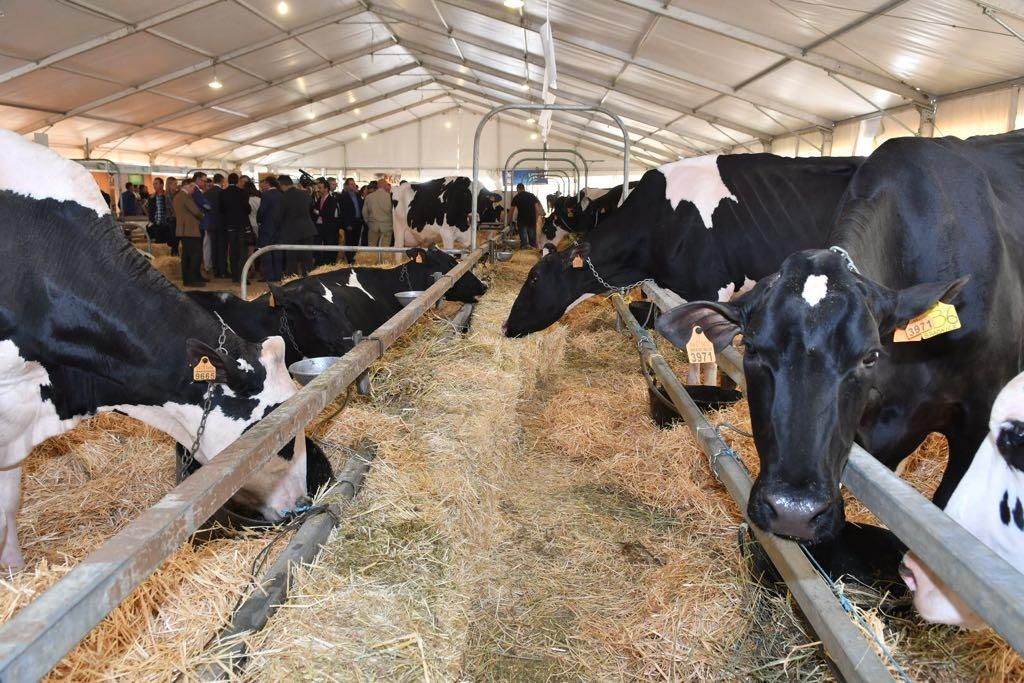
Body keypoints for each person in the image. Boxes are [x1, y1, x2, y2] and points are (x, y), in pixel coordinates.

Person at [276, 174, 318, 277]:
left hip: (291, 232)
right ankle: (309, 282)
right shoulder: (305, 194)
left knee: (292, 261)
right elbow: (312, 206)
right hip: (308, 230)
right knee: (307, 259)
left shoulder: (283, 197)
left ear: (281, 185)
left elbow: (278, 216)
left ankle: (292, 283)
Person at [173, 179, 206, 287]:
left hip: (183, 229)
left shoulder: (178, 196)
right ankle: (192, 279)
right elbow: (195, 211)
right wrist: (203, 216)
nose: (194, 190)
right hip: (190, 229)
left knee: (186, 255)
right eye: (193, 187)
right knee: (195, 255)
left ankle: (187, 279)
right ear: (187, 186)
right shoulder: (185, 197)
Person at [219, 173, 250, 282]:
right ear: (237, 181)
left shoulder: (223, 193)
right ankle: (242, 275)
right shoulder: (242, 192)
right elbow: (247, 208)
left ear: (228, 181)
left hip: (229, 225)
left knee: (232, 250)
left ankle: (234, 276)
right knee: (242, 251)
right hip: (241, 224)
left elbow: (221, 209)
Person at [256, 176, 283, 282]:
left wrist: (259, 220)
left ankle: (268, 275)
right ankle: (278, 275)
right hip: (279, 227)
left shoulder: (266, 195)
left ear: (268, 183)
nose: (263, 185)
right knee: (277, 251)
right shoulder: (281, 194)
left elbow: (262, 211)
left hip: (267, 226)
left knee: (266, 252)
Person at [363, 178, 394, 263]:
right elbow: (393, 213)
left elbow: (364, 213)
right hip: (387, 227)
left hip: (373, 226)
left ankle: (371, 265)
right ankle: (383, 265)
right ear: (384, 186)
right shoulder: (390, 197)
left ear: (377, 186)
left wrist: (368, 223)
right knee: (384, 249)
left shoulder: (369, 197)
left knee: (372, 247)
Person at [312, 177, 341, 266]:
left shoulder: (333, 200)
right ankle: (320, 265)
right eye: (318, 188)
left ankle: (329, 265)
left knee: (329, 249)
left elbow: (329, 214)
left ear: (326, 188)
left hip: (329, 229)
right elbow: (313, 211)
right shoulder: (319, 200)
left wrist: (318, 212)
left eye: (320, 188)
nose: (318, 190)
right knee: (319, 249)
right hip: (320, 228)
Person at [203, 173, 226, 278]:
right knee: (222, 247)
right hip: (222, 223)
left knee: (213, 247)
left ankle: (215, 269)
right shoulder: (223, 193)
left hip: (210, 223)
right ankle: (222, 270)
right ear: (222, 181)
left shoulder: (206, 193)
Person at [338, 177, 364, 265]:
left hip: (358, 222)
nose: (353, 186)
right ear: (347, 186)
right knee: (349, 241)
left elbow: (361, 207)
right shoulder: (343, 196)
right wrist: (347, 224)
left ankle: (354, 257)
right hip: (349, 223)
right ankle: (349, 259)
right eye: (351, 184)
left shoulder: (358, 195)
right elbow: (343, 212)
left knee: (356, 241)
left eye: (354, 184)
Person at [510, 183, 541, 249]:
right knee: (532, 242)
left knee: (524, 243)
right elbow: (537, 209)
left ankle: (524, 256)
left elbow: (511, 211)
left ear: (518, 189)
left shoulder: (516, 197)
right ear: (524, 188)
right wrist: (535, 219)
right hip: (531, 222)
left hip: (521, 223)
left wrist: (509, 222)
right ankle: (533, 256)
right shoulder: (532, 196)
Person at [146, 177, 171, 246]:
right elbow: (145, 207)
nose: (154, 186)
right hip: (156, 224)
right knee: (158, 243)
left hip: (167, 223)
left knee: (168, 243)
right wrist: (150, 217)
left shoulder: (167, 196)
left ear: (162, 184)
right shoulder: (151, 197)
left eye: (156, 184)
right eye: (153, 184)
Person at [165, 177, 180, 256]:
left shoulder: (177, 194)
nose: (176, 185)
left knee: (176, 240)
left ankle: (175, 254)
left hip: (176, 219)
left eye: (176, 184)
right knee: (174, 240)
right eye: (175, 184)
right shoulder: (167, 196)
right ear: (169, 185)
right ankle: (174, 255)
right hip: (172, 220)